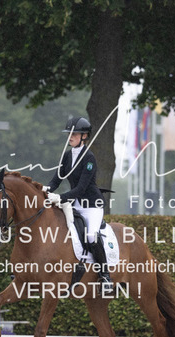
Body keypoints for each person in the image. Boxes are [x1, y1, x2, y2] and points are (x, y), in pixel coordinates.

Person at [45, 116, 113, 294]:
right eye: (69, 134)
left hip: (92, 205)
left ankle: (105, 276)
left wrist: (60, 198)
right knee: (64, 232)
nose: (70, 137)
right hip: (75, 203)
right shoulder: (67, 156)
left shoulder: (89, 158)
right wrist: (44, 190)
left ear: (84, 136)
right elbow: (56, 180)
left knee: (91, 236)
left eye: (74, 134)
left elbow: (81, 188)